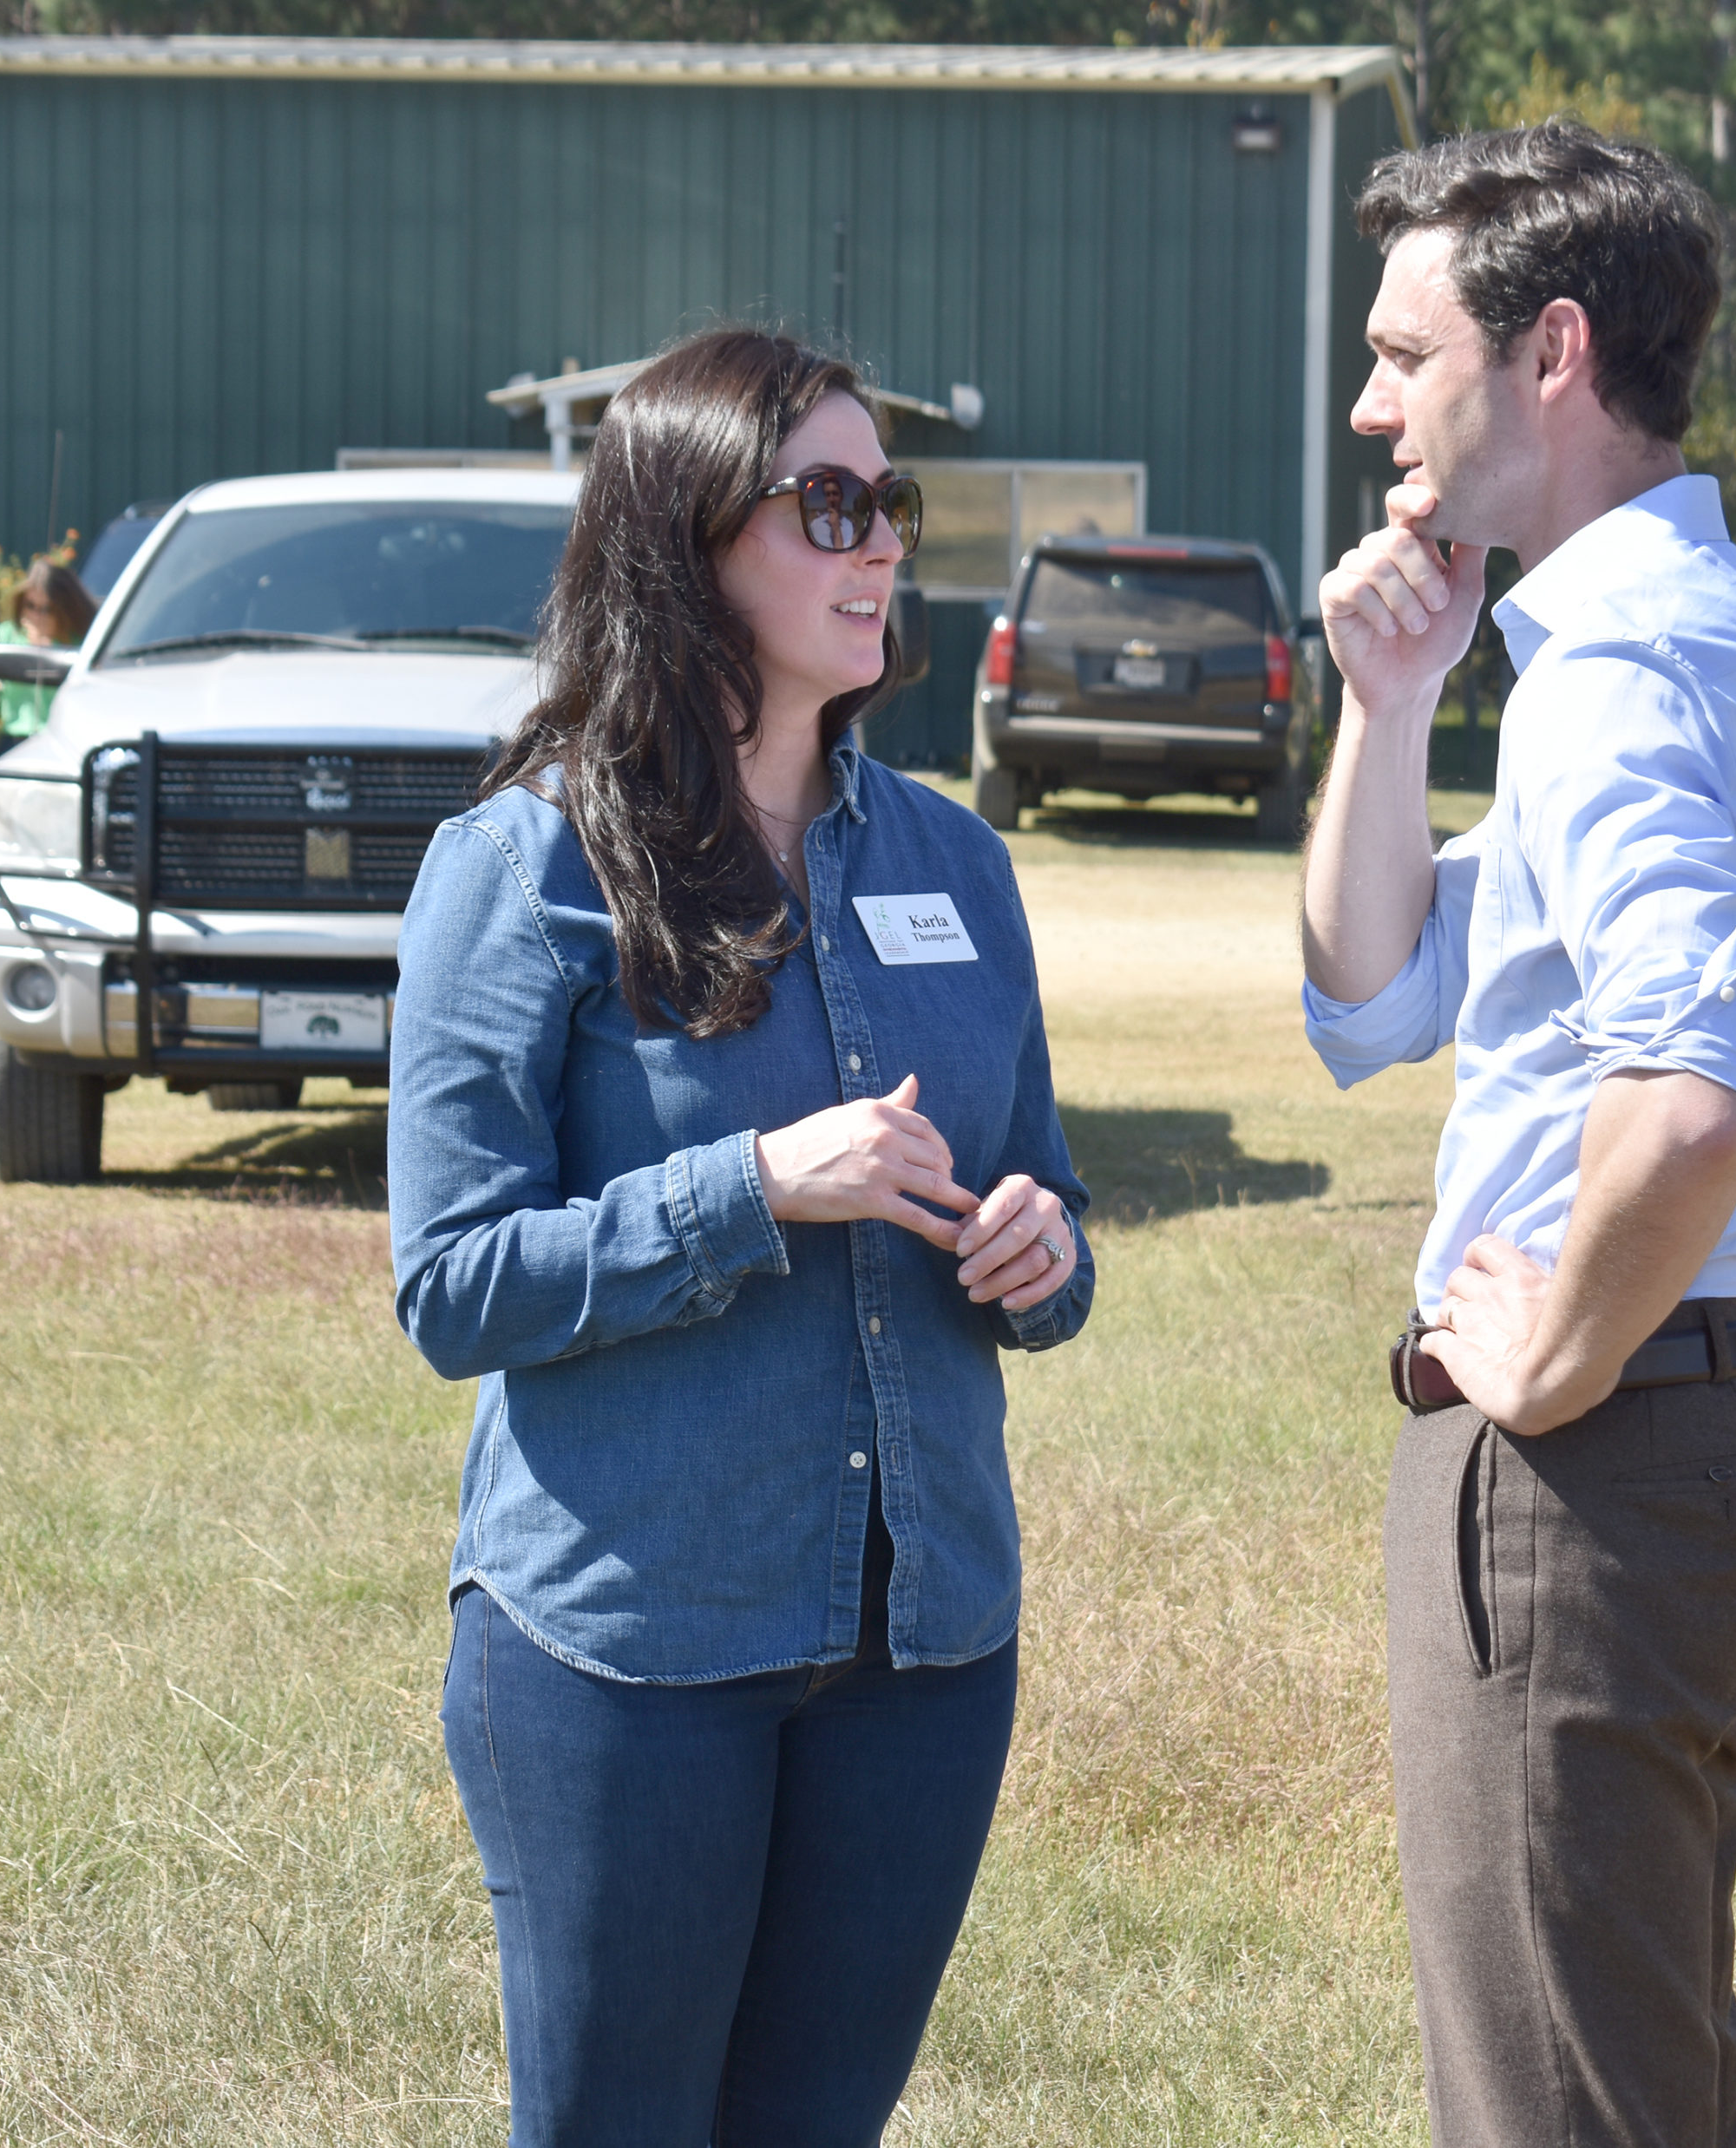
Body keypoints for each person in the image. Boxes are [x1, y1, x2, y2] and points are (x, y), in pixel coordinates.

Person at [388, 328, 1094, 2148]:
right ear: (689, 538)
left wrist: (1038, 1252)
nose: (880, 548)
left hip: (920, 1644)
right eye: (831, 504)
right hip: (630, 1652)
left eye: (893, 507)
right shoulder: (528, 860)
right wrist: (751, 1185)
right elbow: (452, 1280)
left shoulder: (956, 863)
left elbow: (1045, 1193)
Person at [1300, 121, 1736, 2148]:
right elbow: (1376, 990)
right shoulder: (1731, 635)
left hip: (1583, 1461)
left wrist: (1546, 1354)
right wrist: (1387, 697)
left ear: (1547, 350)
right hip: (1697, 1436)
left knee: (1553, 2109)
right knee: (1636, 2080)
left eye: (1399, 349)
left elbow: (1691, 1080)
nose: (1367, 401)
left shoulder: (1612, 670)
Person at [0, 557, 95, 760]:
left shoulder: (84, 644)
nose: (37, 616)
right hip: (14, 744)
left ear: (66, 609)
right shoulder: (7, 637)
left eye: (47, 609)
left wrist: (49, 647)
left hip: (66, 747)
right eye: (30, 606)